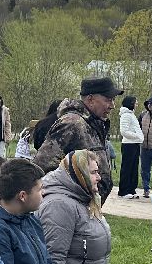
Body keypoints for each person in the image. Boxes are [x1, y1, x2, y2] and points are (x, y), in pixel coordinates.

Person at [33, 77, 124, 205]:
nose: (112, 106)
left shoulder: (94, 124)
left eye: (113, 100)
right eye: (108, 100)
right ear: (90, 99)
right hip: (70, 208)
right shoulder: (72, 124)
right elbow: (41, 167)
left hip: (87, 207)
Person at [116, 95, 142, 198]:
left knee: (134, 167)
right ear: (131, 103)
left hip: (135, 143)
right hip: (128, 144)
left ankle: (131, 189)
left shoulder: (131, 114)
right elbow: (124, 131)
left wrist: (138, 138)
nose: (136, 104)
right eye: (135, 102)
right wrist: (137, 136)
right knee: (127, 168)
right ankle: (124, 190)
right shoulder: (125, 115)